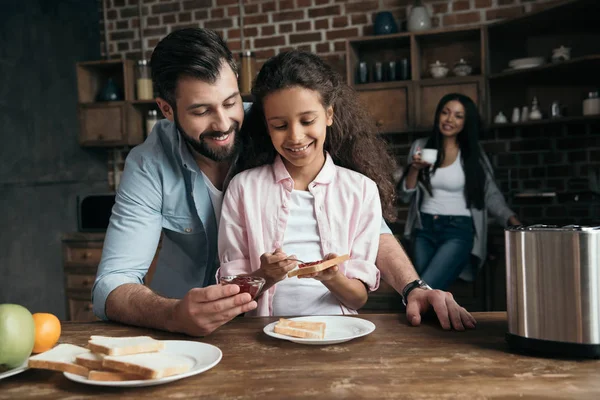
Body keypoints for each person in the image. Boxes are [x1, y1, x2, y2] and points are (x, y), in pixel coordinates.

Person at [91, 27, 476, 337]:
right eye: (201, 111)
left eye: (229, 102)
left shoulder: (275, 120)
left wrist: (413, 287)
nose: (224, 123)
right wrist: (174, 315)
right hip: (185, 331)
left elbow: (368, 225)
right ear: (166, 109)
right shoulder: (148, 163)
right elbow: (111, 284)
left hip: (268, 329)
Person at [218, 50, 393, 316]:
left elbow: (358, 300)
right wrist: (264, 275)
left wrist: (332, 277)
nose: (296, 137)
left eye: (307, 121)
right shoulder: (243, 189)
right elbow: (232, 294)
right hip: (262, 335)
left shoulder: (361, 190)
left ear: (329, 114)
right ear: (266, 126)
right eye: (279, 126)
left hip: (338, 332)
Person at [398, 93, 521, 291]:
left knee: (423, 290)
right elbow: (405, 195)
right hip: (424, 229)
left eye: (458, 115)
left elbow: (490, 194)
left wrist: (512, 219)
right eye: (445, 113)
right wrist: (414, 169)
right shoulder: (421, 146)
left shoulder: (473, 154)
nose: (449, 119)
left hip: (458, 230)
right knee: (427, 293)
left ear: (466, 122)